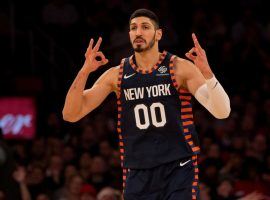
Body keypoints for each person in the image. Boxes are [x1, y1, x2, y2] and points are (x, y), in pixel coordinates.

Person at [63, 8, 230, 200]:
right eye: (133, 28)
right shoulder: (116, 75)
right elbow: (70, 114)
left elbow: (222, 112)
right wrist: (84, 71)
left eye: (145, 27)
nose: (138, 32)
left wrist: (208, 74)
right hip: (138, 171)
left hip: (178, 168)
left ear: (158, 34)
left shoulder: (178, 68)